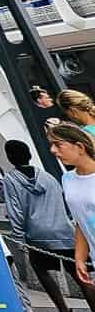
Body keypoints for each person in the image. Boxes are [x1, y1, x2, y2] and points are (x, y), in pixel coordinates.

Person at [5, 137, 92, 312]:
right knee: (80, 276)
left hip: (38, 236)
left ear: (10, 157)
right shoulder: (47, 176)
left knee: (42, 270)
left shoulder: (11, 179)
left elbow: (15, 210)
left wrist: (19, 238)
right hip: (65, 231)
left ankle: (64, 311)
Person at [52, 122, 95, 299]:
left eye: (58, 144)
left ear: (79, 147)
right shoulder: (67, 179)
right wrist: (79, 257)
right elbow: (80, 220)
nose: (53, 150)